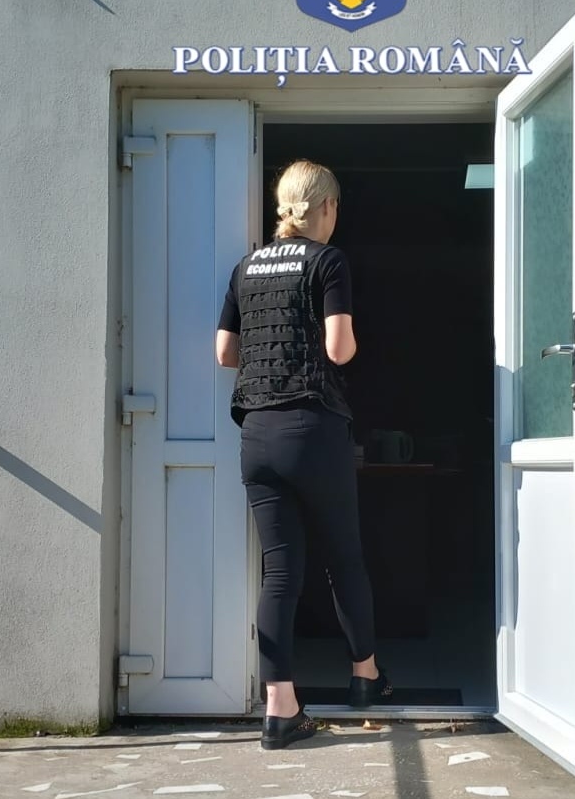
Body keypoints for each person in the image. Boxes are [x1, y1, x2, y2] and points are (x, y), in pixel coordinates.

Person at [215, 159, 392, 750]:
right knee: (345, 559)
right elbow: (339, 350)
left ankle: (280, 710)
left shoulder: (246, 267)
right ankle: (365, 678)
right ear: (328, 207)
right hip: (313, 430)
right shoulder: (328, 260)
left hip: (256, 435)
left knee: (280, 571)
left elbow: (225, 353)